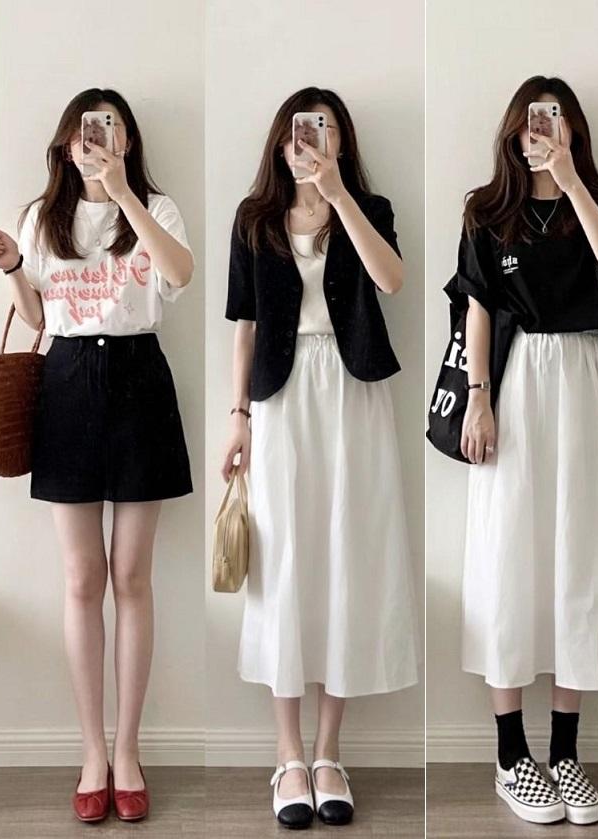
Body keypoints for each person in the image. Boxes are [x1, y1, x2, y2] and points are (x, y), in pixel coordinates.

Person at [0, 88, 193, 825]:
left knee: (131, 576)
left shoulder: (156, 209)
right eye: (86, 130)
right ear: (66, 144)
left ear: (126, 141)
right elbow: (37, 316)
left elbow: (180, 275)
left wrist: (124, 193)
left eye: (110, 128)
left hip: (140, 378)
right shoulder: (42, 216)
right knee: (81, 579)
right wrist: (14, 266)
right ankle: (92, 752)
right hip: (68, 380)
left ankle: (128, 750)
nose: (97, 139)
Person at [221, 87, 418, 829]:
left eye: (325, 131)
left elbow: (391, 279)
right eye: (302, 131)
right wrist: (237, 417)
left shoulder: (371, 207)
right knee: (283, 562)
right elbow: (243, 325)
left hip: (353, 390)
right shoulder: (253, 219)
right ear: (282, 143)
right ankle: (288, 754)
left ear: (341, 143)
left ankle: (330, 753)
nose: (312, 141)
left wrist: (338, 196)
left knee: (346, 558)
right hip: (279, 397)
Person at [456, 76, 598, 826]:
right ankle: (512, 755)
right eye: (535, 119)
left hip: (584, 381)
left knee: (579, 557)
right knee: (508, 558)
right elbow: (475, 304)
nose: (543, 129)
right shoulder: (485, 211)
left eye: (556, 119)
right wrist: (478, 395)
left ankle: (565, 752)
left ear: (574, 131)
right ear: (515, 128)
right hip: (513, 382)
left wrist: (571, 184)